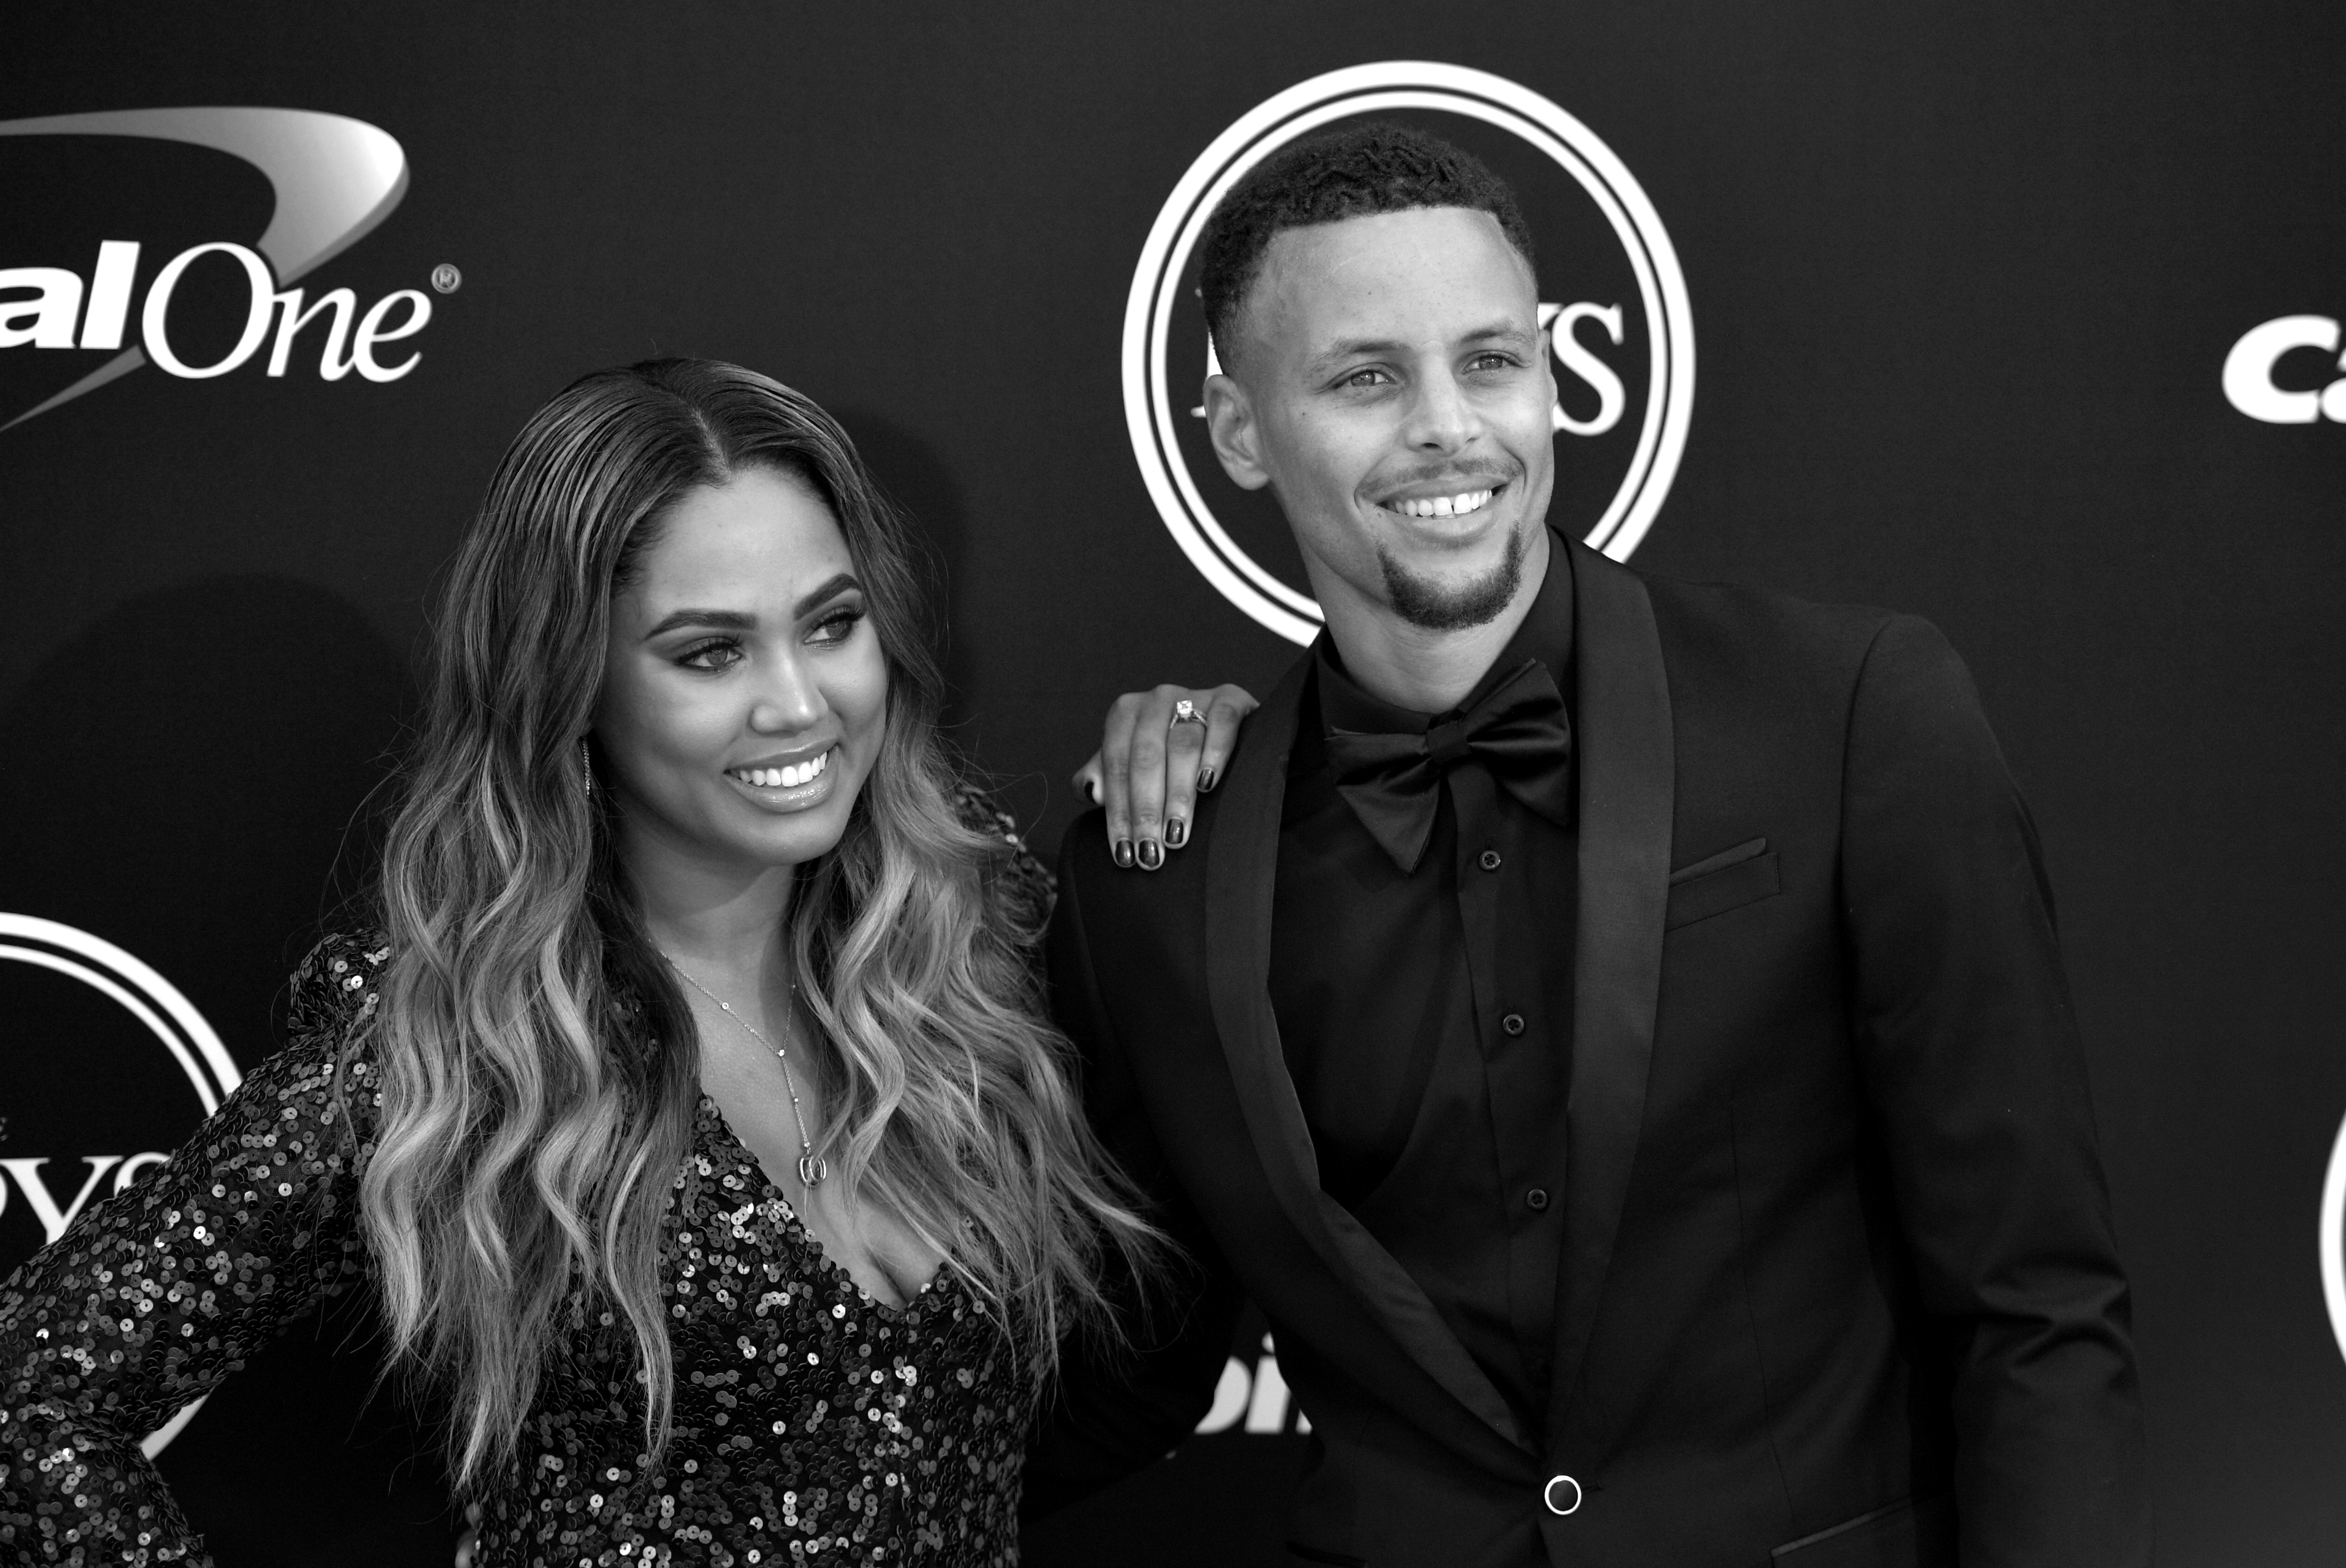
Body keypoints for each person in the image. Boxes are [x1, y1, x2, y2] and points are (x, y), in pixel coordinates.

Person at [1031, 123, 2150, 1567]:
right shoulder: (1156, 870)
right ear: (1237, 427)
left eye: (1492, 361)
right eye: (1368, 377)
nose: (1449, 426)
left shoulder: (1851, 717)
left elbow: (2037, 1311)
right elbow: (1140, 1360)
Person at [0, 359, 1217, 1566]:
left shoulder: (974, 938)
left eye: (832, 624)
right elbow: (32, 1394)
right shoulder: (460, 1037)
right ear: (570, 681)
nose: (800, 703)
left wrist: (1227, 752)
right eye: (709, 653)